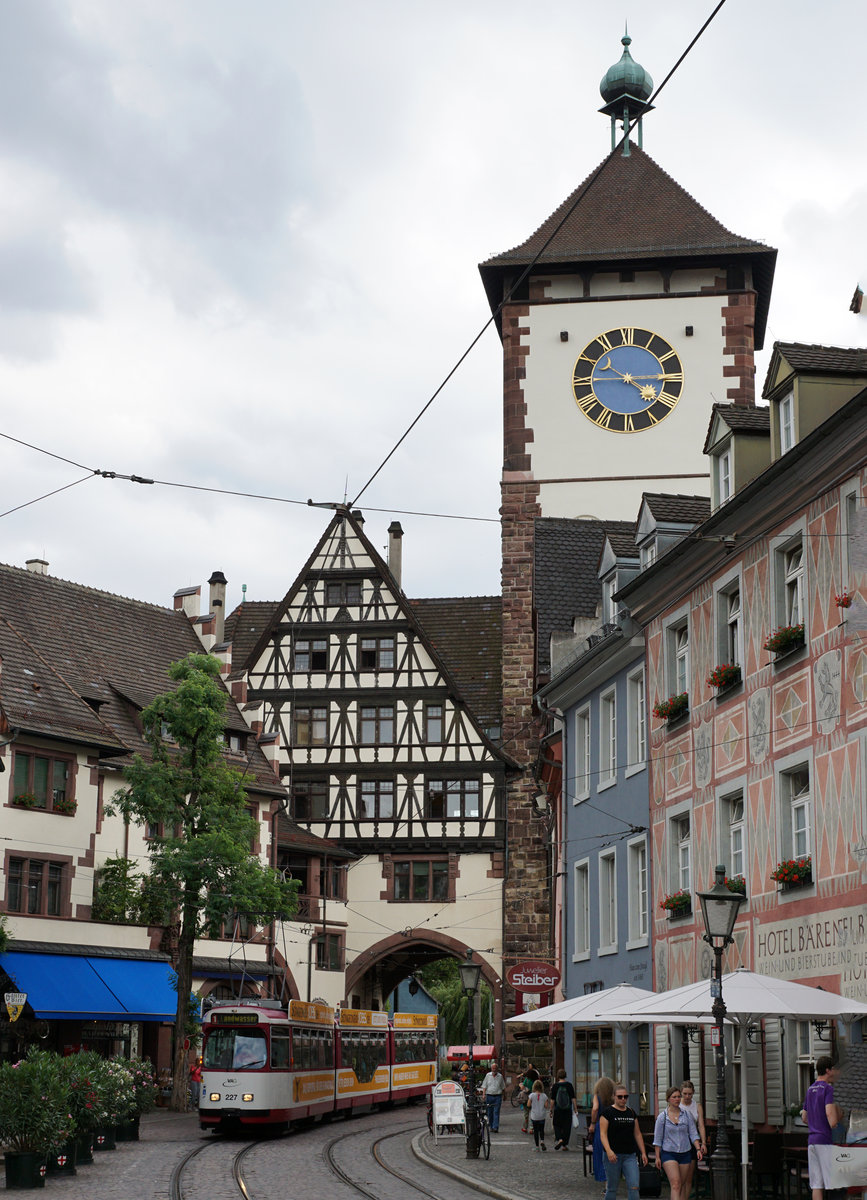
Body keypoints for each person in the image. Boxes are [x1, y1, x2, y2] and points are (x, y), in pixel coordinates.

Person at [800, 1056, 843, 1200]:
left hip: (812, 1141)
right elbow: (829, 1112)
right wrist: (834, 1123)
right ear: (827, 1070)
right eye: (834, 1069)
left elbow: (804, 1117)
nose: (836, 1073)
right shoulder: (828, 1089)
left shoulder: (810, 1089)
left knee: (816, 1184)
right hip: (824, 1140)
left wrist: (815, 1122)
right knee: (832, 1182)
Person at [653, 1085, 703, 1200]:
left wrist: (698, 1148)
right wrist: (657, 1157)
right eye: (674, 1097)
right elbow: (658, 1139)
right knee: (675, 1183)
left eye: (678, 1097)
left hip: (685, 1152)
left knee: (682, 1184)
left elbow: (693, 1133)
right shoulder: (662, 1117)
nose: (677, 1099)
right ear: (668, 1099)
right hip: (669, 1152)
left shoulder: (686, 1115)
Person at [599, 1083, 648, 1200]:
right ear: (613, 1097)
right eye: (620, 1097)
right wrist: (609, 1150)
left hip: (630, 1155)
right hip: (613, 1155)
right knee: (612, 1187)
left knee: (634, 1186)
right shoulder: (607, 1113)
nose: (623, 1099)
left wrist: (643, 1152)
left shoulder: (631, 1112)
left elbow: (637, 1133)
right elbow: (603, 1134)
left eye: (625, 1097)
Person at [679, 1080, 707, 1197]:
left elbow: (700, 1125)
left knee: (689, 1177)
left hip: (692, 1141)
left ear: (693, 1093)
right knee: (679, 1178)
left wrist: (703, 1143)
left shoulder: (697, 1106)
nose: (687, 1096)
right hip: (679, 1141)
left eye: (690, 1094)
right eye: (685, 1094)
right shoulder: (677, 1105)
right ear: (681, 1093)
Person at [589, 1076, 617, 1182]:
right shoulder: (613, 1096)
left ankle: (602, 1175)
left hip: (601, 1125)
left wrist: (592, 1123)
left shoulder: (597, 1096)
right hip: (613, 1124)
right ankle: (613, 1175)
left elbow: (595, 1108)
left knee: (601, 1151)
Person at [550, 1068, 578, 1151]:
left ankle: (560, 1139)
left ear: (558, 1076)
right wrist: (575, 1109)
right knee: (567, 1126)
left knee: (556, 1124)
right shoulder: (569, 1085)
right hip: (567, 1109)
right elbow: (573, 1098)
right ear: (565, 1075)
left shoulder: (555, 1086)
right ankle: (565, 1145)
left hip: (558, 1109)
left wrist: (551, 1110)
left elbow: (552, 1100)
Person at [480, 1061, 506, 1132]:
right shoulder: (488, 1075)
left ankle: (495, 1127)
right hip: (489, 1096)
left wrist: (504, 1095)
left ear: (497, 1069)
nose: (494, 1069)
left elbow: (503, 1087)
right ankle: (491, 1126)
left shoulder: (500, 1076)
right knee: (490, 1112)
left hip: (498, 1096)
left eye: (495, 1068)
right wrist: (483, 1094)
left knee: (496, 1112)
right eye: (493, 1068)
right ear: (491, 1069)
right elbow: (484, 1086)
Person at [520, 1061, 541, 1133]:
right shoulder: (536, 1082)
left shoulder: (527, 1080)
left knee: (526, 1113)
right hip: (534, 1098)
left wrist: (521, 1085)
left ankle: (525, 1127)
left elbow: (522, 1087)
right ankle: (532, 1128)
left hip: (526, 1098)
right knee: (533, 1112)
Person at [529, 1078, 548, 1151]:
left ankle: (537, 1147)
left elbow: (528, 1104)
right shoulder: (544, 1095)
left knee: (536, 1131)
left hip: (534, 1116)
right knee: (541, 1130)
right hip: (542, 1115)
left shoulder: (531, 1095)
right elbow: (546, 1106)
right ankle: (542, 1141)